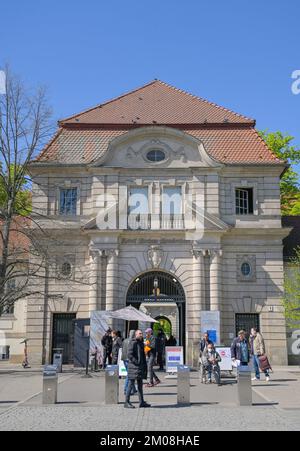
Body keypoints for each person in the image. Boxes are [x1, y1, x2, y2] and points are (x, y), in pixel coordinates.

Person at [125, 329, 151, 409]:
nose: (141, 334)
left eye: (141, 333)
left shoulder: (140, 343)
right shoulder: (132, 342)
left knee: (140, 385)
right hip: (134, 367)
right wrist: (136, 362)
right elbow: (129, 354)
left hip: (140, 367)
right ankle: (127, 402)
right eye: (139, 333)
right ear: (136, 334)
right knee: (130, 384)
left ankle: (141, 402)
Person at [122, 330, 137, 396]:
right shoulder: (134, 341)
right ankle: (125, 389)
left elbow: (122, 349)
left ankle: (133, 389)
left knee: (130, 375)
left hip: (124, 359)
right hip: (129, 360)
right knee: (129, 375)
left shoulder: (125, 340)